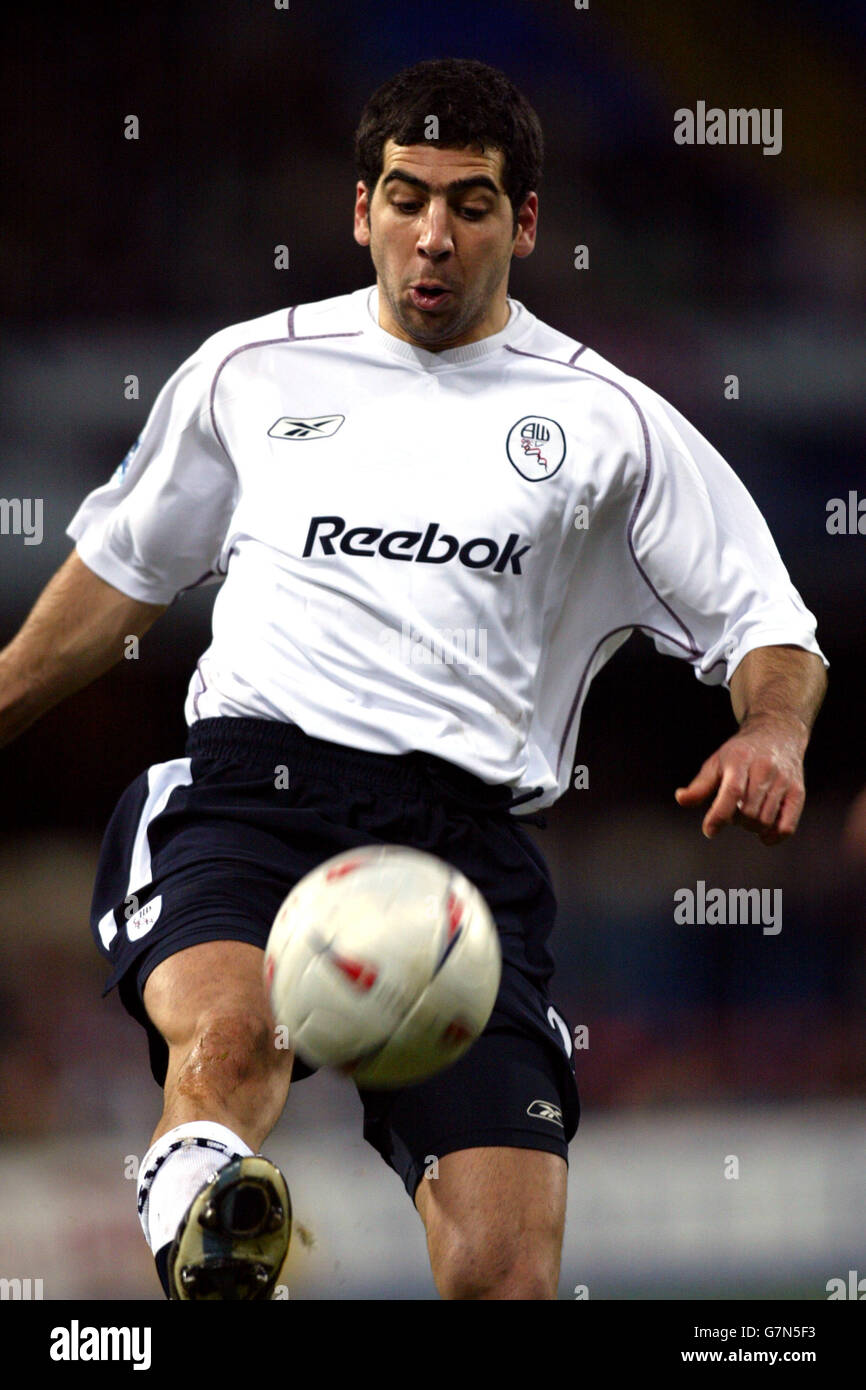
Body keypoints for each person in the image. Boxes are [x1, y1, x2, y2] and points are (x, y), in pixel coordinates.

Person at [0, 58, 827, 1301]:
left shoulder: (613, 426)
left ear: (525, 221)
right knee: (230, 1040)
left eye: (471, 202)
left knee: (504, 1273)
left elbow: (769, 620)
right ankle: (209, 1214)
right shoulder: (249, 373)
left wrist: (769, 726)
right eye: (405, 196)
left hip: (463, 864)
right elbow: (121, 571)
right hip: (249, 797)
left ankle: (207, 1201)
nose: (431, 235)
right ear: (359, 208)